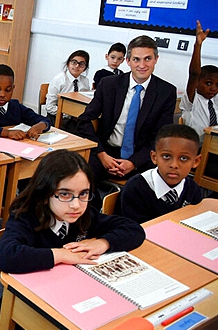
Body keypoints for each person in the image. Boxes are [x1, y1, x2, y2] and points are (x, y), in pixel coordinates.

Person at [0, 149, 145, 274]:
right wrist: (61, 255)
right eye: (64, 194)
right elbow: (8, 256)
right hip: (28, 297)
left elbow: (134, 229)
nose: (76, 205)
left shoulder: (85, 216)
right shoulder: (25, 218)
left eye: (83, 194)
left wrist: (103, 243)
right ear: (44, 194)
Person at [77, 35, 176, 184]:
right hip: (106, 151)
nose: (142, 65)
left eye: (148, 59)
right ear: (128, 61)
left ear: (156, 59)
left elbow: (161, 137)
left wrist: (133, 163)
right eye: (136, 59)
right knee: (79, 179)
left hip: (142, 156)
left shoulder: (166, 92)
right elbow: (83, 120)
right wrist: (102, 154)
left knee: (148, 189)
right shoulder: (108, 84)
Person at [120, 124, 204, 223]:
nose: (174, 165)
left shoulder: (192, 189)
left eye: (183, 158)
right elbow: (136, 231)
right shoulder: (135, 189)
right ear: (154, 157)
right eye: (166, 156)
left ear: (196, 162)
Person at [181, 20, 218, 140]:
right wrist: (197, 45)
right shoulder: (192, 99)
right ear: (197, 83)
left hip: (215, 143)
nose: (214, 88)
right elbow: (194, 74)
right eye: (208, 83)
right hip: (195, 145)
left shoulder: (217, 97)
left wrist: (217, 78)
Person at [0, 64, 50, 139]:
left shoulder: (16, 106)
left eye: (8, 90)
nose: (2, 94)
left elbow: (43, 119)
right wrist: (7, 133)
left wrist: (42, 125)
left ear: (13, 89)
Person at [45, 50, 91, 126]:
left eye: (81, 64)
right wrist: (69, 114)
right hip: (58, 117)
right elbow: (49, 106)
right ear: (68, 64)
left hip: (77, 119)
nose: (77, 66)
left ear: (85, 68)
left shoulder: (85, 81)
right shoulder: (59, 80)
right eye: (74, 62)